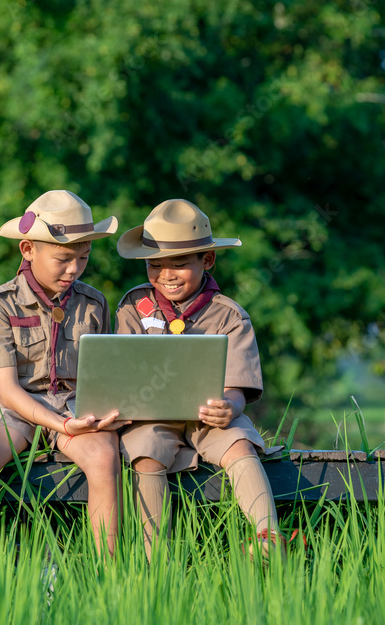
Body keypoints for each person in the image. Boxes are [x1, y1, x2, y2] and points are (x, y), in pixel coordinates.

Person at [0, 190, 129, 559]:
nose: (74, 269)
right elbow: (5, 389)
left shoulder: (94, 303)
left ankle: (109, 575)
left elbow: (103, 375)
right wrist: (57, 425)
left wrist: (97, 415)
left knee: (103, 457)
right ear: (28, 250)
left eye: (83, 258)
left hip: (74, 406)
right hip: (12, 408)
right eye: (63, 259)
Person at [115, 198, 284, 560]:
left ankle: (268, 537)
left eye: (179, 264)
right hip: (151, 416)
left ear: (206, 261)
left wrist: (230, 406)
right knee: (145, 455)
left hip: (207, 415)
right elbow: (119, 367)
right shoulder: (132, 307)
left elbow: (237, 384)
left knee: (239, 442)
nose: (166, 275)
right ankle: (153, 558)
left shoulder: (228, 315)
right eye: (154, 265)